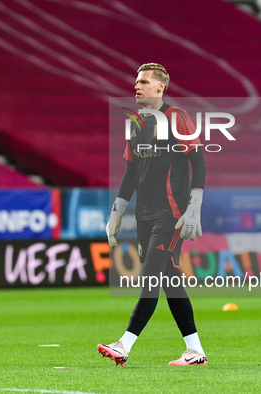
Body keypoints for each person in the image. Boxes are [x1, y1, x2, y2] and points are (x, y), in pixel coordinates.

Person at [97, 63, 207, 366]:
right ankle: (195, 351)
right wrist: (117, 212)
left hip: (171, 213)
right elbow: (131, 171)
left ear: (160, 88)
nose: (136, 86)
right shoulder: (135, 123)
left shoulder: (177, 118)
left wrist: (194, 206)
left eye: (144, 81)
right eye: (136, 81)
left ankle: (124, 344)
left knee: (151, 277)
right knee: (170, 280)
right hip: (145, 214)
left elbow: (198, 162)